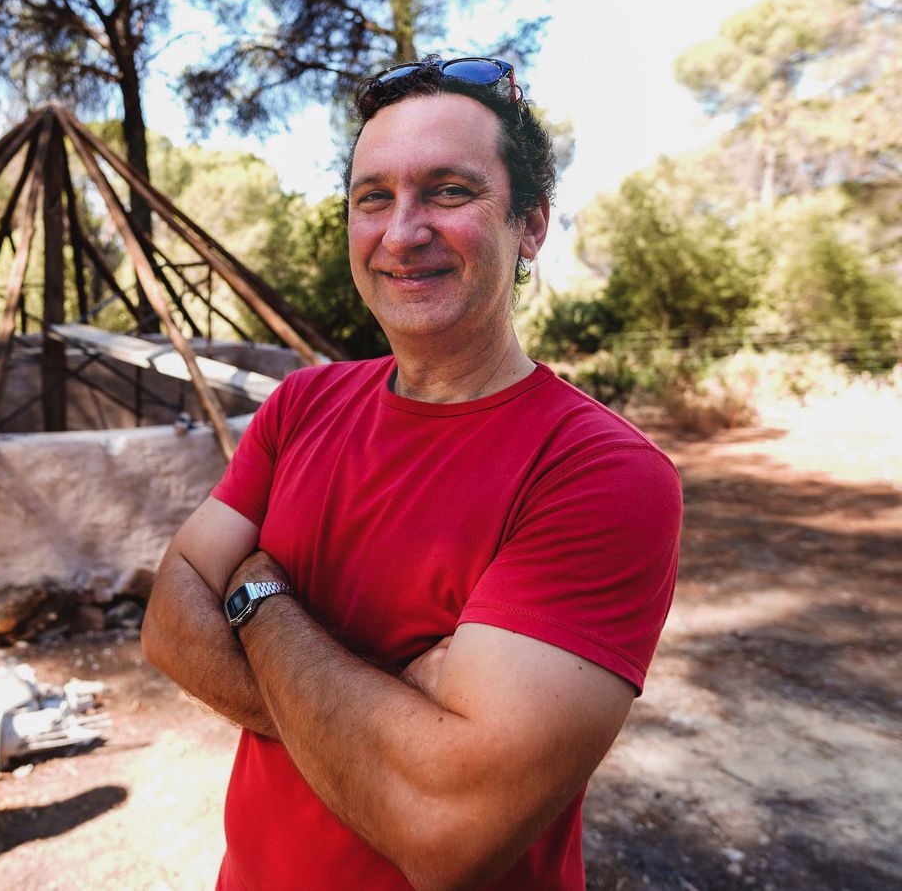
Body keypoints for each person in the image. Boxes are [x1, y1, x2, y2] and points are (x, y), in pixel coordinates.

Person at [141, 56, 683, 890]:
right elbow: (166, 625)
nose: (401, 232)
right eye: (373, 198)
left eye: (448, 191)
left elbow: (444, 830)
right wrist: (391, 719)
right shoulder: (301, 406)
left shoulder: (600, 470)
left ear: (530, 224)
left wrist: (254, 589)